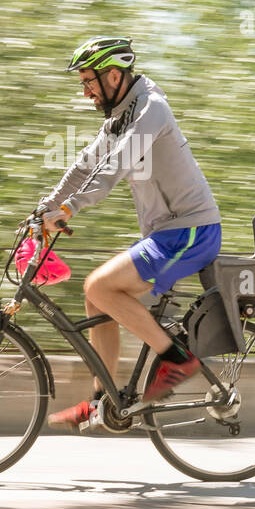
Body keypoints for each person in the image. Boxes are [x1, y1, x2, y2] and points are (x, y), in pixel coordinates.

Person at [36, 36, 223, 429]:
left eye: (89, 81)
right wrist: (46, 206)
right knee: (96, 298)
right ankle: (106, 399)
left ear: (114, 75)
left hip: (191, 230)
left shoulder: (151, 109)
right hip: (168, 233)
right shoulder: (122, 114)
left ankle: (175, 360)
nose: (85, 91)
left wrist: (69, 209)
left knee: (99, 287)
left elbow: (115, 166)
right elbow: (85, 166)